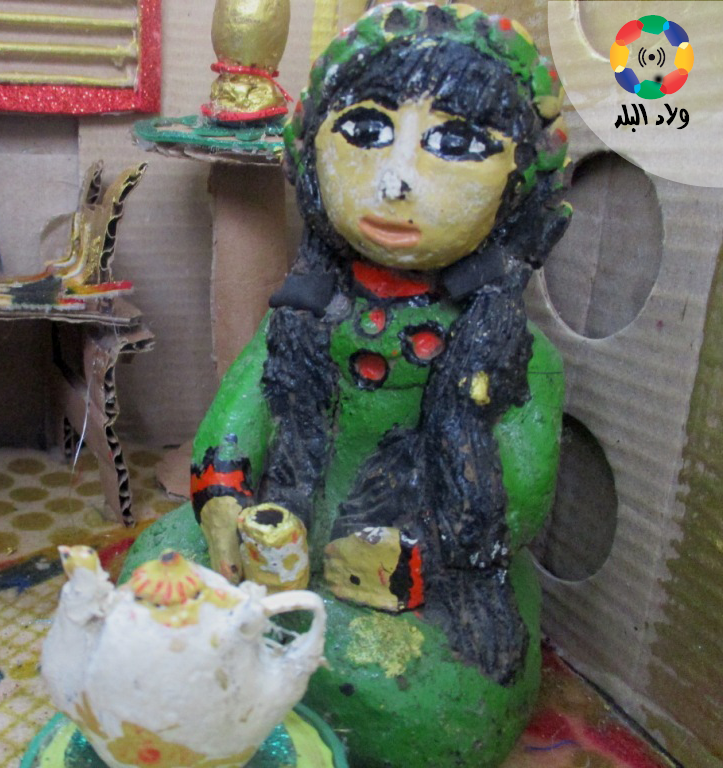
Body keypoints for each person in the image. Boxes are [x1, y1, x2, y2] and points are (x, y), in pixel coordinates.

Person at [124, 4, 571, 766]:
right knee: (151, 576)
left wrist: (417, 556)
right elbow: (238, 413)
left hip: (426, 585)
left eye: (456, 145)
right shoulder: (304, 314)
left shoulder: (513, 353)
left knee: (430, 708)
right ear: (312, 155)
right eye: (365, 132)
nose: (396, 181)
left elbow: (520, 497)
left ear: (520, 184)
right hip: (278, 539)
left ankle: (260, 683)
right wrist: (225, 502)